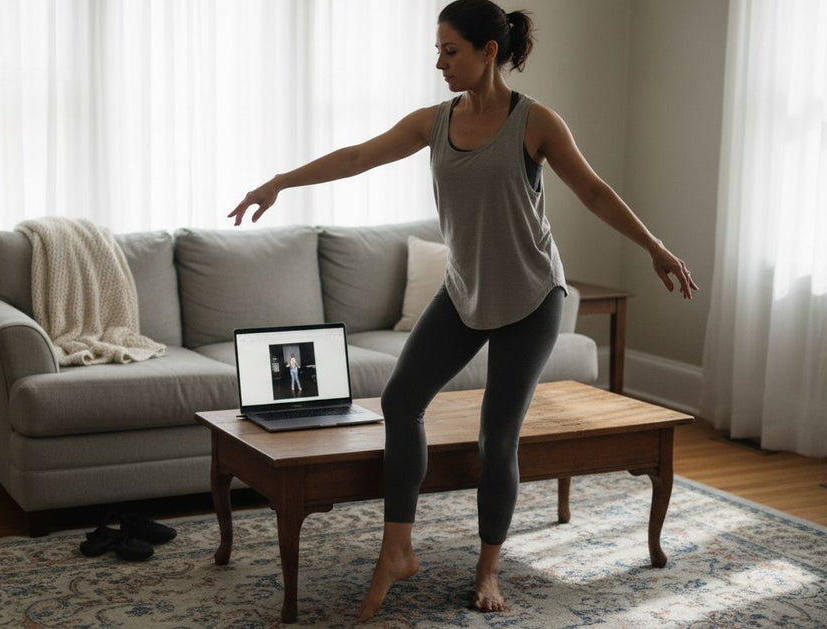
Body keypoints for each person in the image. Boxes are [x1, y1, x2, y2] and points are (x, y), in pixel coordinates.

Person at [229, 0, 699, 621]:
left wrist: (654, 246)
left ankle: (489, 567)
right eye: (438, 51)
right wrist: (279, 183)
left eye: (451, 52)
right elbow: (356, 156)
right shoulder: (434, 122)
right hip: (464, 290)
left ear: (489, 52)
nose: (440, 64)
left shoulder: (535, 122)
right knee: (400, 401)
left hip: (531, 295)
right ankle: (398, 548)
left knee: (496, 437)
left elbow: (592, 190)